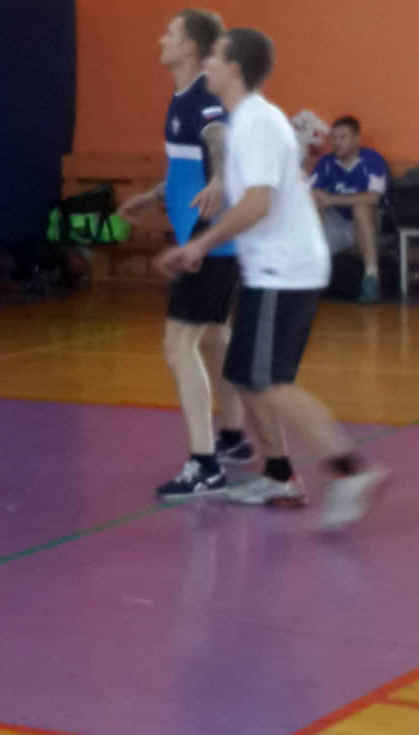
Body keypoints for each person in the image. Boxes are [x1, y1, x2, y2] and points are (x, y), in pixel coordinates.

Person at [157, 28, 386, 530]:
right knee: (246, 373)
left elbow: (257, 204)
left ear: (235, 68)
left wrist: (199, 245)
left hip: (287, 270)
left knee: (270, 380)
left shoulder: (258, 123)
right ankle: (280, 474)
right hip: (270, 268)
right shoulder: (246, 122)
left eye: (215, 57)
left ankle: (350, 470)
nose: (207, 64)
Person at [117, 9, 251, 501]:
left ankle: (204, 464)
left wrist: (219, 179)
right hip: (213, 239)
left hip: (210, 239)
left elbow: (219, 140)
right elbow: (187, 164)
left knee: (179, 347)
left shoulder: (202, 98)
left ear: (190, 47)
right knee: (213, 336)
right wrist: (153, 196)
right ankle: (233, 436)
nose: (161, 39)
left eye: (170, 33)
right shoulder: (182, 99)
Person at [311, 116, 390, 304]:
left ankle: (371, 276)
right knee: (312, 205)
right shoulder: (326, 162)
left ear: (356, 139)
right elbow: (309, 192)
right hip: (337, 222)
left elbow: (373, 197)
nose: (337, 142)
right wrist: (318, 196)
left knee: (361, 207)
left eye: (343, 137)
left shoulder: (372, 159)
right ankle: (313, 273)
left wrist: (332, 199)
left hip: (368, 223)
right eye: (334, 137)